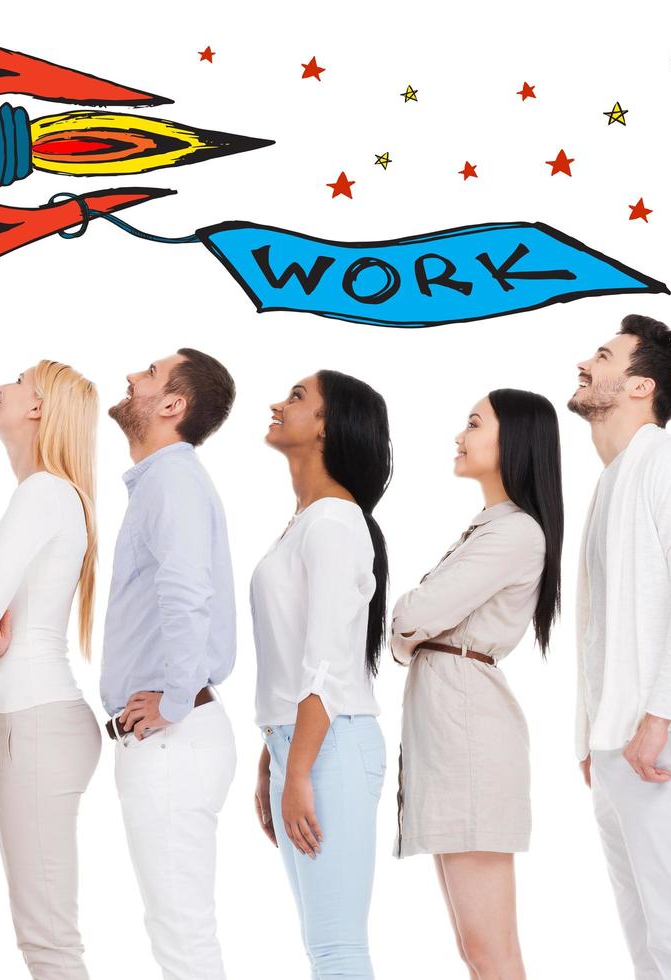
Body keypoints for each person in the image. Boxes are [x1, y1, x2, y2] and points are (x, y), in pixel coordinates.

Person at [567, 314, 671, 977]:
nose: (584, 364)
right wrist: (589, 734)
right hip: (619, 743)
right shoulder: (613, 479)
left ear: (639, 386)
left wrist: (655, 719)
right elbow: (600, 627)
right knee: (645, 936)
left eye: (602, 356)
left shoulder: (670, 464)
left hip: (656, 741)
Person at [389, 389, 564, 979]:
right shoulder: (490, 527)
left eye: (473, 424)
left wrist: (408, 621)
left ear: (512, 439)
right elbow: (415, 621)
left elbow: (413, 615)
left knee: (490, 951)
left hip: (468, 738)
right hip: (451, 730)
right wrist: (411, 623)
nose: (459, 436)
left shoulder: (515, 533)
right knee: (477, 949)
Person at [0, 360, 103, 979]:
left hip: (35, 724)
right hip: (30, 723)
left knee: (47, 939)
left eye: (18, 381)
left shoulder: (44, 492)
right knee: (41, 930)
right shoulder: (45, 493)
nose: (2, 386)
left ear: (39, 408)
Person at [101, 348, 237, 980]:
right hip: (165, 739)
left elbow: (187, 593)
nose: (131, 376)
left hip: (174, 737)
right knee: (173, 927)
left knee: (182, 932)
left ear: (172, 405)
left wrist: (175, 700)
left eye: (148, 375)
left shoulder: (172, 480)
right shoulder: (161, 481)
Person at [251, 370, 392, 980]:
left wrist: (298, 768)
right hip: (303, 745)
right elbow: (294, 657)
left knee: (337, 948)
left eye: (298, 397)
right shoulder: (309, 519)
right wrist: (273, 758)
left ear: (328, 427)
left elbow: (329, 665)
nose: (279, 403)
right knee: (322, 945)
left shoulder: (334, 522)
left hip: (328, 748)